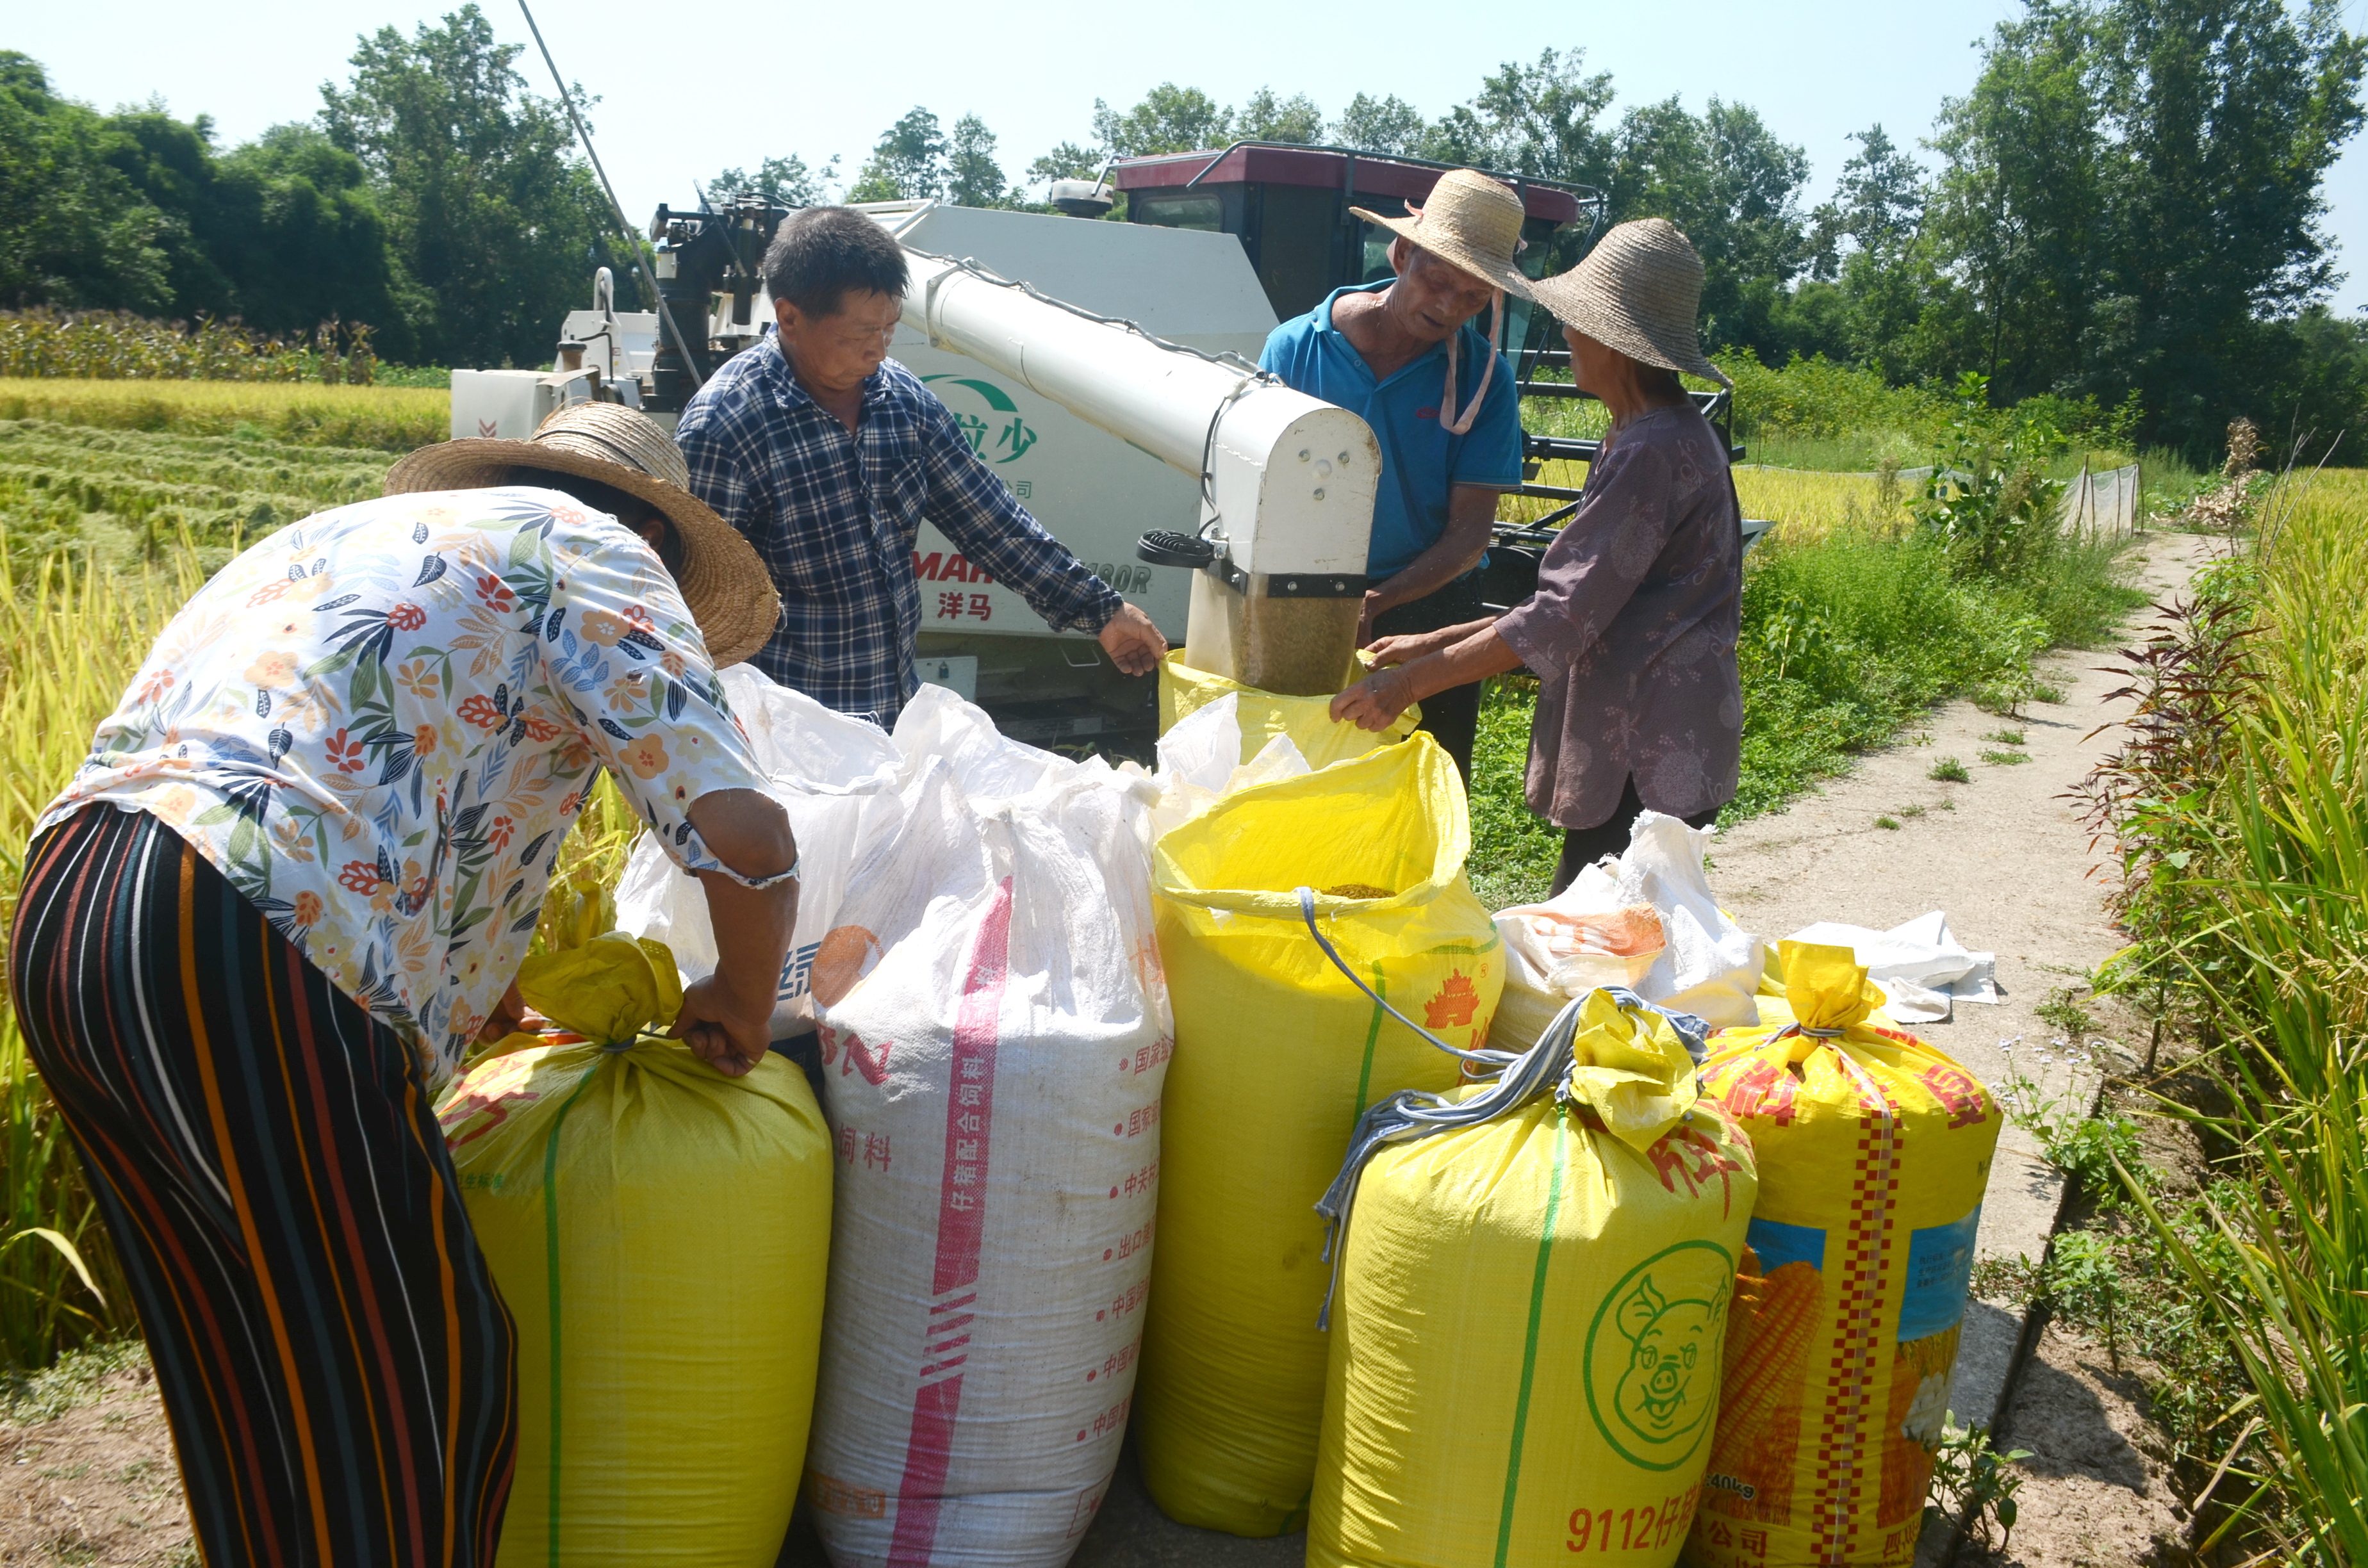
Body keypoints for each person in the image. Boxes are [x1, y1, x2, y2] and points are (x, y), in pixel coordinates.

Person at [9, 403, 802, 1567]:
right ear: (654, 538)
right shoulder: (595, 547)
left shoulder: (346, 537)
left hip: (74, 913)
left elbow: (377, 769)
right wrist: (741, 991)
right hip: (248, 931)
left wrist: (471, 984)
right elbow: (745, 832)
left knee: (244, 1366)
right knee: (421, 1386)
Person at [1331, 218, 1744, 895]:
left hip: (1649, 741)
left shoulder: (1651, 449)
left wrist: (1408, 685)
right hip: (1658, 733)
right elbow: (1582, 596)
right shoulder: (1643, 432)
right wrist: (1433, 641)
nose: (1568, 335)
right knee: (1620, 925)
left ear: (1615, 341)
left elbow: (1561, 617)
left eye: (1578, 322)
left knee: (1598, 929)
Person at [675, 205, 1169, 727]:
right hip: (785, 731)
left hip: (893, 716)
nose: (877, 351)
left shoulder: (902, 399)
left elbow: (991, 522)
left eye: (889, 330)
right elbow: (693, 609)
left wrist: (1102, 611)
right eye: (859, 335)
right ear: (790, 318)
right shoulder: (727, 427)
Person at [1258, 168, 1531, 782]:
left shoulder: (1486, 380)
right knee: (1298, 771)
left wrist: (1379, 600)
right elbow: (1262, 492)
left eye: (1474, 298)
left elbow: (1469, 536)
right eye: (1439, 282)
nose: (1450, 308)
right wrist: (1323, 600)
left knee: (1424, 780)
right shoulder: (1298, 348)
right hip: (1304, 590)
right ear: (1403, 253)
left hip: (1431, 603)